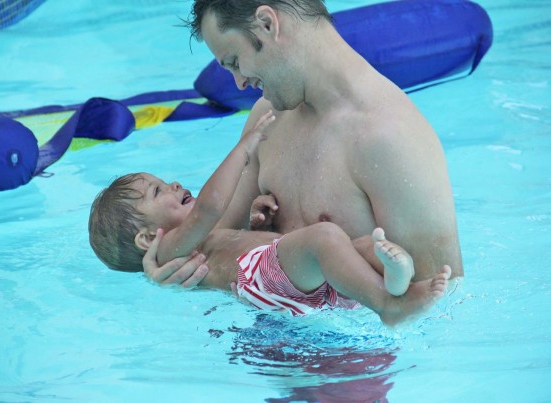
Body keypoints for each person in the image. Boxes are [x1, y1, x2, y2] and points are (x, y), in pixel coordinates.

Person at [142, 0, 463, 288]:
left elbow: (439, 300)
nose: (239, 82)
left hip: (354, 353)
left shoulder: (390, 139)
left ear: (267, 24)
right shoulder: (267, 118)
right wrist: (165, 266)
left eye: (235, 61)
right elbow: (204, 239)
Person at [89, 111, 451, 326]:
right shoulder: (168, 248)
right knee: (325, 238)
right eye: (158, 192)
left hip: (281, 279)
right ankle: (389, 305)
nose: (173, 184)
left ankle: (394, 279)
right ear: (146, 238)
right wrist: (244, 147)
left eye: (163, 181)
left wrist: (255, 225)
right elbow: (211, 205)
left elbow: (231, 239)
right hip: (259, 279)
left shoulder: (199, 240)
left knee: (353, 247)